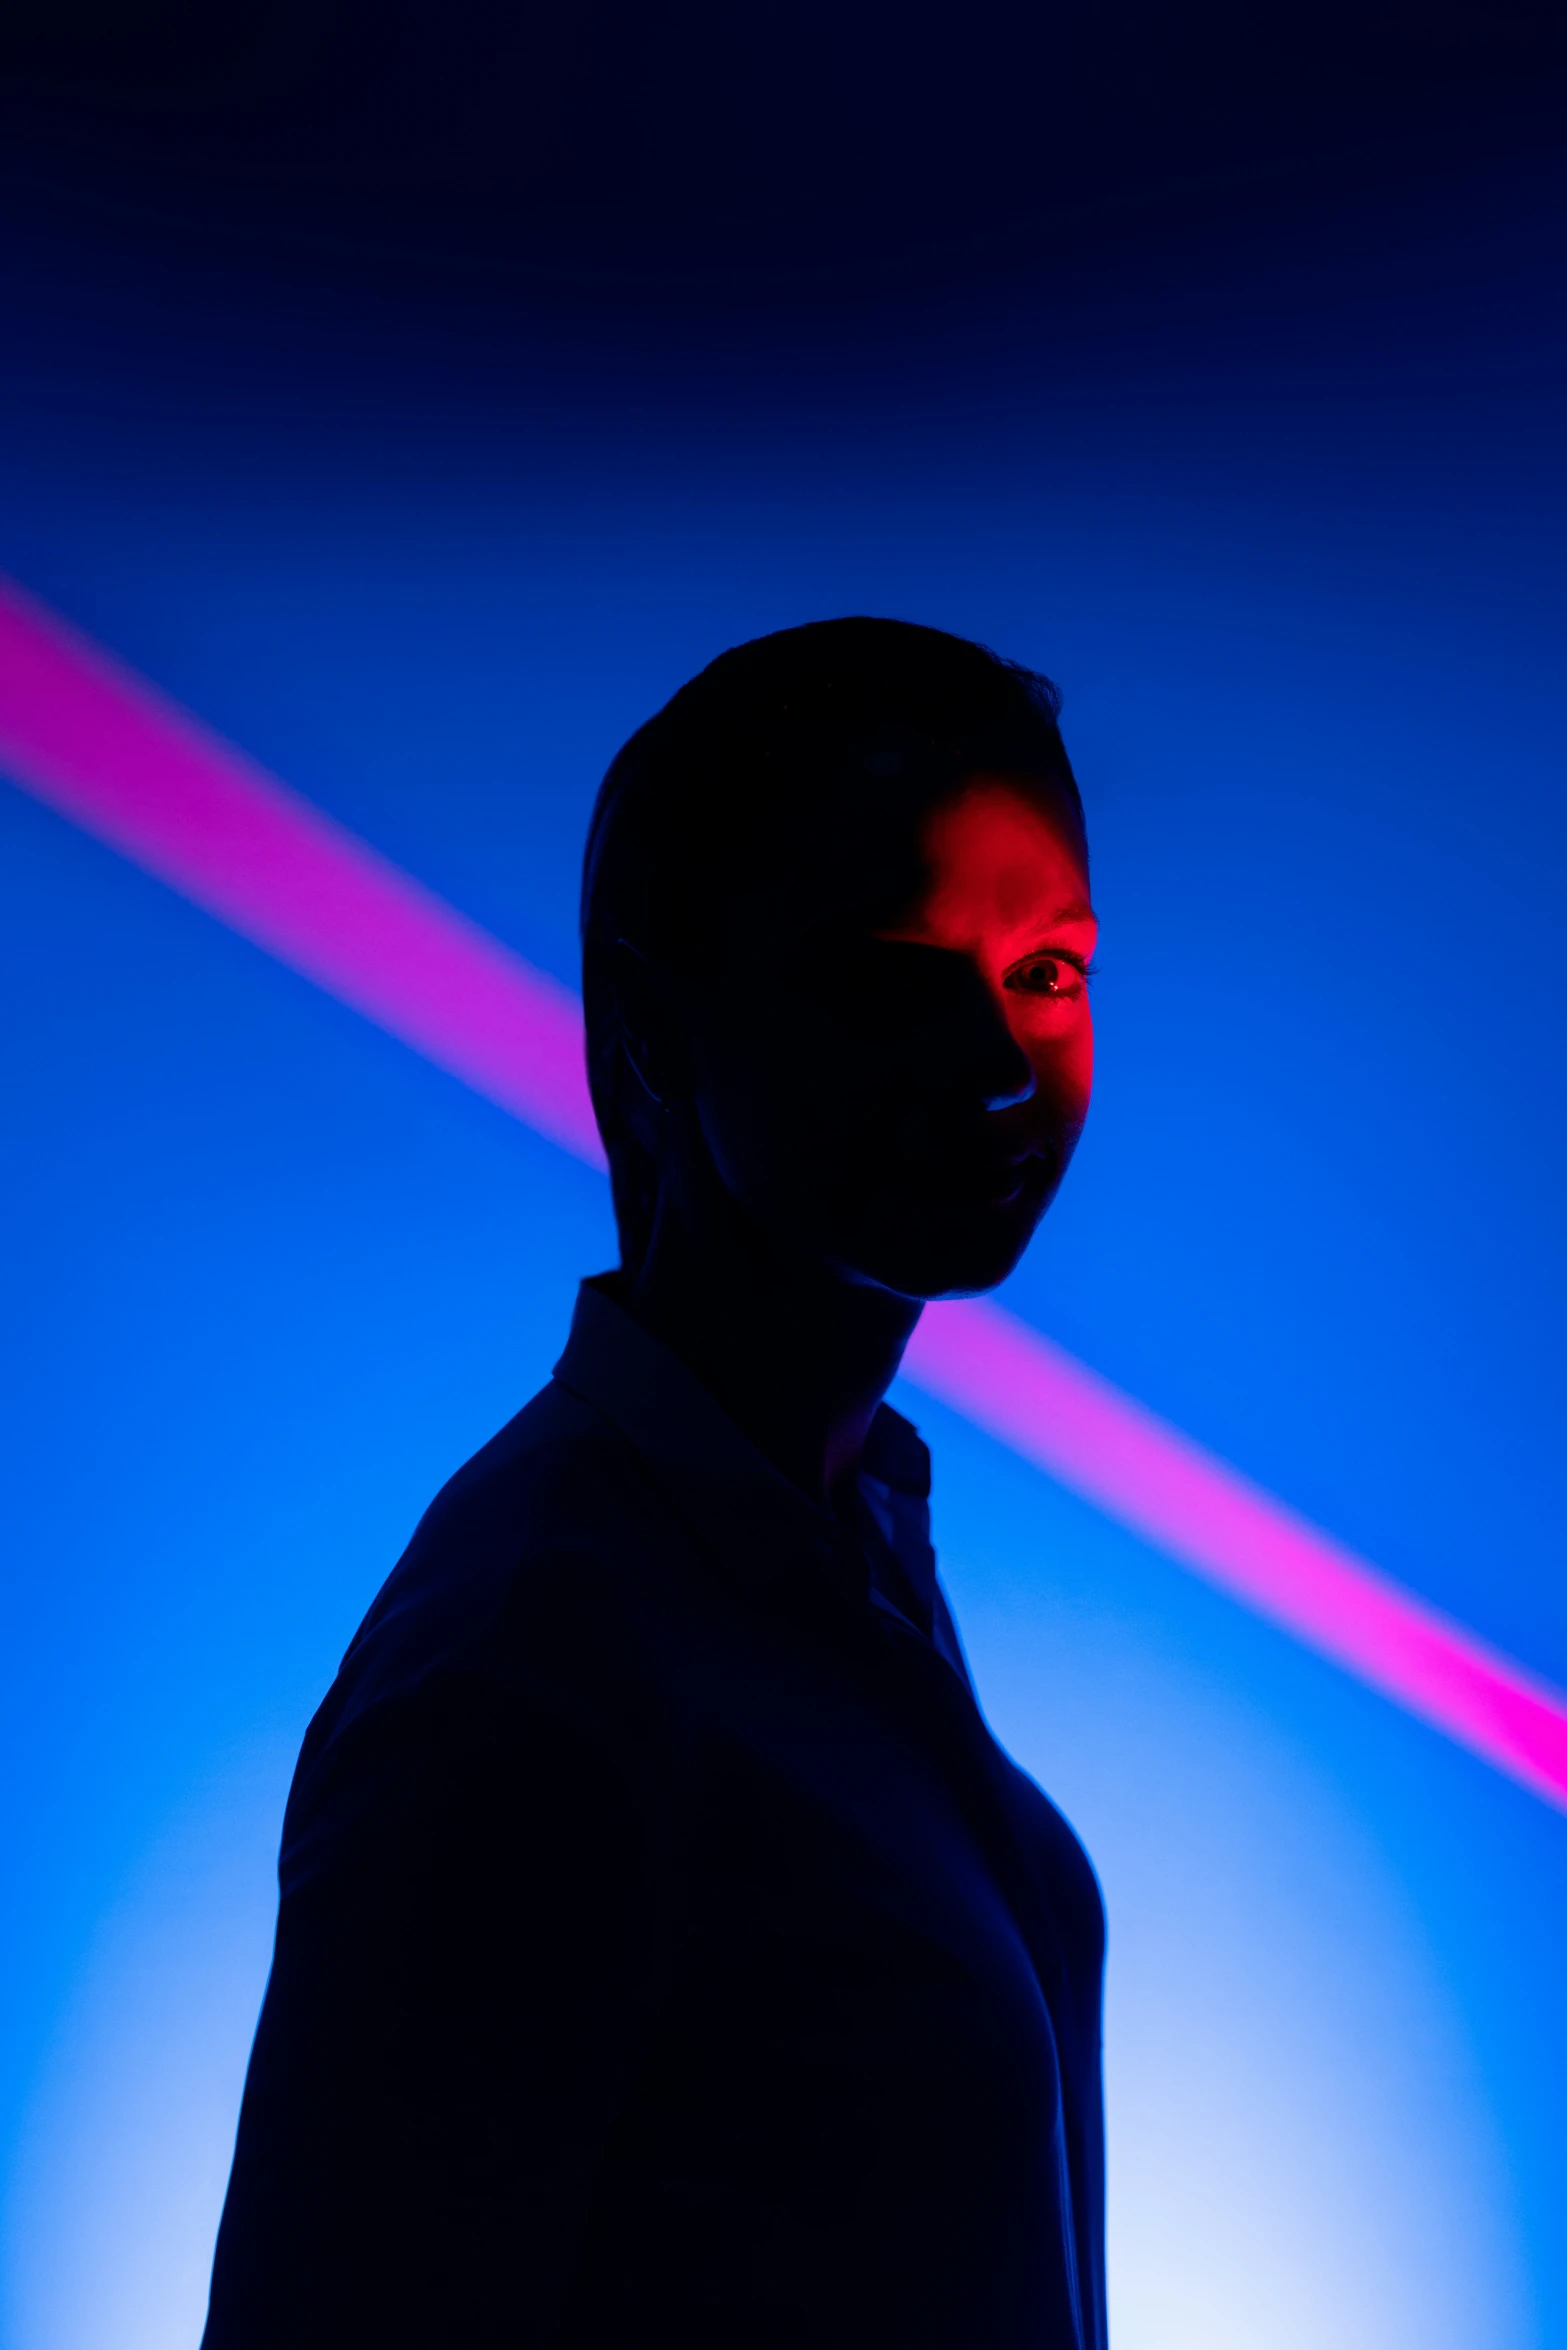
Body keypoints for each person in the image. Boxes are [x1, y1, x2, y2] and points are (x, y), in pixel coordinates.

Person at [202, 617, 1107, 2348]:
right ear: (651, 1018)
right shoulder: (535, 1659)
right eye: (885, 975)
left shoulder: (836, 1544)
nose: (993, 1063)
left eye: (1044, 970)